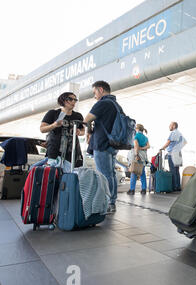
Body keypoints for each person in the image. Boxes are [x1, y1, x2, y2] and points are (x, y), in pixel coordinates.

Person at [84, 81, 123, 213]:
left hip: (102, 144)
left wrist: (88, 132)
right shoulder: (116, 105)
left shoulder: (102, 103)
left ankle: (107, 203)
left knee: (104, 175)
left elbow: (87, 119)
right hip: (113, 144)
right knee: (111, 174)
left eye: (94, 92)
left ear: (100, 90)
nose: (94, 96)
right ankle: (112, 202)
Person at [40, 92, 85, 172]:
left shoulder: (78, 116)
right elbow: (42, 129)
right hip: (55, 153)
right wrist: (54, 125)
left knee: (70, 179)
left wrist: (79, 132)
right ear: (63, 100)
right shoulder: (53, 113)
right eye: (70, 99)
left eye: (75, 100)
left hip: (73, 154)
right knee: (54, 178)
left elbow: (83, 131)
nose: (73, 101)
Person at [160, 122, 186, 192]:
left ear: (174, 126)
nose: (169, 126)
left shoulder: (173, 133)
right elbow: (184, 142)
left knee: (172, 171)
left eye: (170, 125)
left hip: (172, 154)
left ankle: (174, 187)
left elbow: (168, 142)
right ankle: (178, 187)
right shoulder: (180, 133)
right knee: (177, 171)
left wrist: (162, 148)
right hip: (178, 153)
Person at [127, 124, 150, 195]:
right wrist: (142, 148)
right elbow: (148, 146)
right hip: (143, 156)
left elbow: (136, 145)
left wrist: (136, 154)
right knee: (142, 172)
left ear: (137, 129)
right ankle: (143, 190)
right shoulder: (145, 137)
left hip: (137, 155)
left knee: (134, 171)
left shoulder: (136, 136)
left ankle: (132, 190)